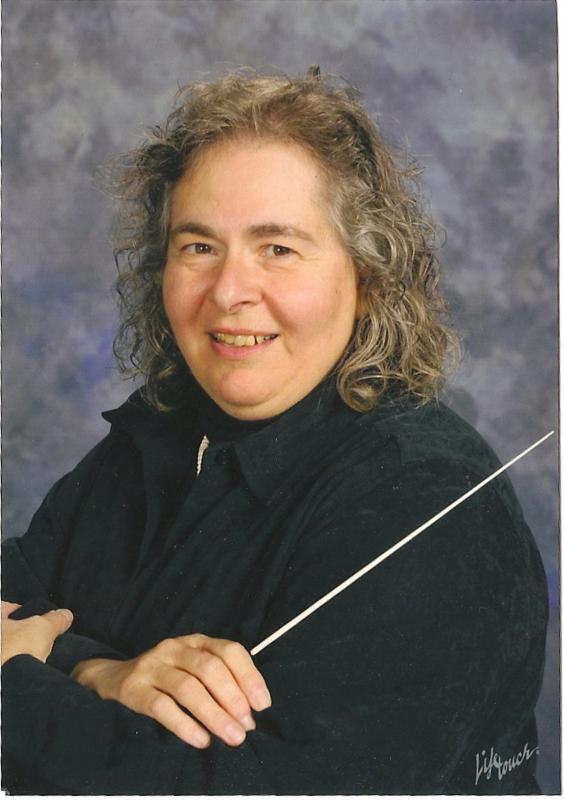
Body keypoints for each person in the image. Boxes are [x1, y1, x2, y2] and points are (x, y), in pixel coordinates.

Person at [2, 67, 548, 794]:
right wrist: (98, 672)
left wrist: (15, 684)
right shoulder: (158, 435)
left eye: (278, 248)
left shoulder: (426, 499)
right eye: (199, 246)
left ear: (367, 278)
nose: (228, 292)